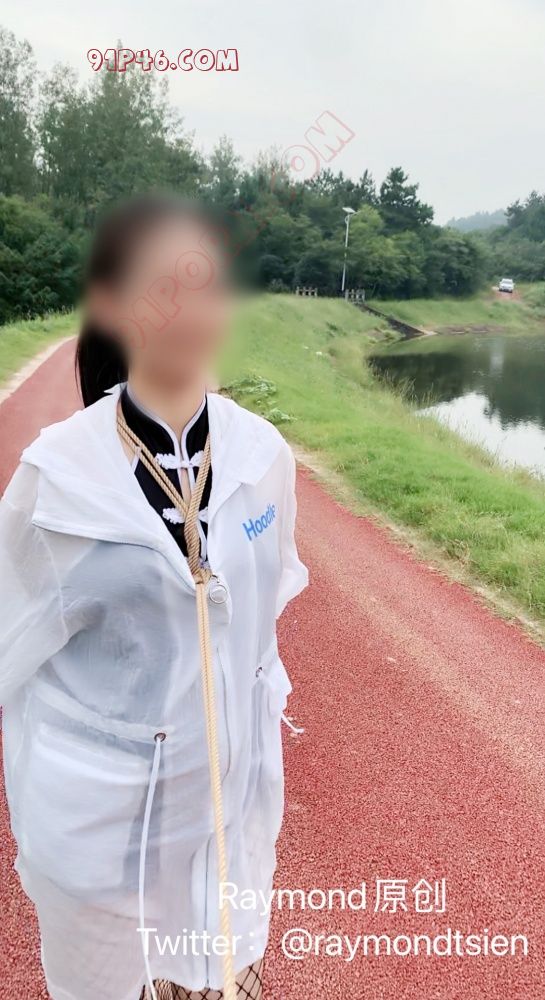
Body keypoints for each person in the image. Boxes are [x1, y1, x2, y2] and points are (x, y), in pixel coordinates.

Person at [0, 194, 308, 1000]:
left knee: (223, 978)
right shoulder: (56, 480)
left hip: (229, 815)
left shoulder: (262, 456)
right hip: (101, 834)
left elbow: (259, 610)